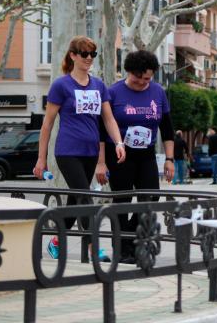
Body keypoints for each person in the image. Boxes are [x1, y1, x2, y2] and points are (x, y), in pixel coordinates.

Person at [33, 35, 126, 262]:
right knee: (85, 199)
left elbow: (109, 119)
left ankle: (56, 241)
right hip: (67, 151)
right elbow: (47, 125)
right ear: (73, 56)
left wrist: (119, 142)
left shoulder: (99, 85)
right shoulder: (61, 85)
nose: (88, 58)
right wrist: (40, 159)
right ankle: (95, 249)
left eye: (92, 54)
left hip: (90, 152)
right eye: (84, 54)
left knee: (76, 201)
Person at [95, 50, 175, 264]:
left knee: (151, 197)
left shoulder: (158, 92)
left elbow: (167, 128)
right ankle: (121, 250)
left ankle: (131, 241)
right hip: (119, 153)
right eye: (136, 77)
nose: (141, 82)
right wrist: (101, 163)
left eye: (146, 78)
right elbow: (101, 131)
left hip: (146, 153)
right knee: (122, 201)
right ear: (128, 72)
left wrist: (169, 159)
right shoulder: (113, 92)